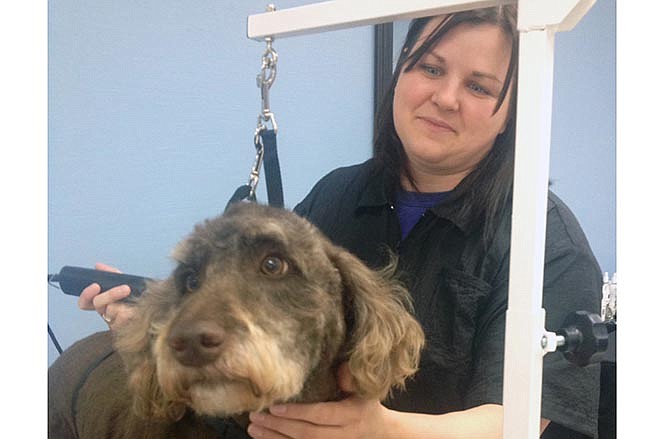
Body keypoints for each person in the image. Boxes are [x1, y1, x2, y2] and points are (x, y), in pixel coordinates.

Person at [79, 5, 602, 438]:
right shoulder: (339, 193)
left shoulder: (547, 244)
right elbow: (260, 325)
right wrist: (157, 326)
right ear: (402, 72)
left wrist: (384, 431)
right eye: (431, 68)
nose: (445, 98)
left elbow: (517, 421)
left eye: (480, 87)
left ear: (512, 112)